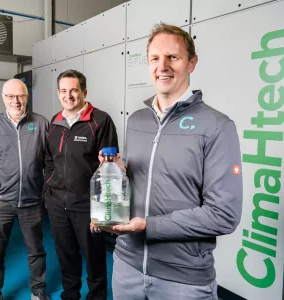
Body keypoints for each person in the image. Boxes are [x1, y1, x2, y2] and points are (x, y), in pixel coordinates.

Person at [96, 24, 243, 300]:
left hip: (183, 280)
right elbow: (138, 179)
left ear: (192, 63)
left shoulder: (217, 126)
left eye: (172, 57)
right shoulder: (137, 120)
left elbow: (224, 215)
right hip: (126, 266)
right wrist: (116, 171)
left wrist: (148, 226)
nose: (162, 66)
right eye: (155, 58)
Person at [44, 70, 118, 300]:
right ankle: (70, 295)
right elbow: (48, 161)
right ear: (58, 94)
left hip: (87, 206)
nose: (69, 95)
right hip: (58, 205)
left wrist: (103, 213)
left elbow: (110, 168)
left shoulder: (101, 121)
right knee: (66, 256)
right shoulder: (54, 123)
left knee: (94, 258)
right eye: (64, 91)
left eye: (74, 90)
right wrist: (50, 192)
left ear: (84, 92)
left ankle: (96, 297)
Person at [0, 79, 49, 300]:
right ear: (3, 97)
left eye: (21, 96)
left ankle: (38, 292)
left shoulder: (41, 123)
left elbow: (50, 161)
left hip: (32, 202)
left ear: (27, 97)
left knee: (36, 251)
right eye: (10, 96)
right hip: (0, 202)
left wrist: (44, 192)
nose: (16, 101)